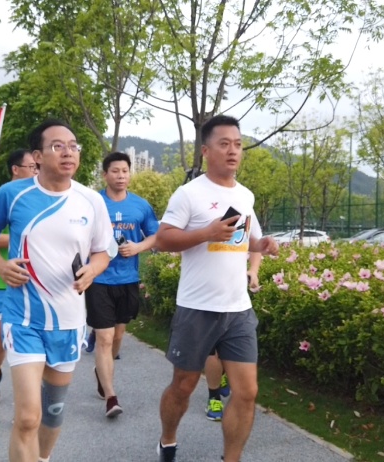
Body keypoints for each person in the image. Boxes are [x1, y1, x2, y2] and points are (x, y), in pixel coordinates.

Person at [0, 119, 112, 462]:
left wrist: (93, 270)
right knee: (27, 418)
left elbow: (103, 251)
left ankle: (43, 458)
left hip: (68, 321)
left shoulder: (91, 200)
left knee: (53, 413)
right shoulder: (12, 194)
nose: (68, 152)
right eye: (57, 146)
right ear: (37, 156)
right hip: (23, 319)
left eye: (73, 146)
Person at [154, 114, 279, 462]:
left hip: (238, 309)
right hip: (197, 308)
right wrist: (206, 233)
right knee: (183, 386)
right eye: (224, 144)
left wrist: (263, 244)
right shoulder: (189, 194)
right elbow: (163, 239)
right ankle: (167, 439)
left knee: (247, 392)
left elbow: (248, 240)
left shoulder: (245, 195)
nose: (233, 151)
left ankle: (231, 458)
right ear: (206, 151)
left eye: (238, 144)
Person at [87, 152, 159, 418]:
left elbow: (155, 235)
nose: (120, 176)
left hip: (127, 279)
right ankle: (111, 397)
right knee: (104, 338)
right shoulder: (92, 203)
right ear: (105, 174)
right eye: (115, 171)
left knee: (117, 337)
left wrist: (138, 246)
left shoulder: (141, 205)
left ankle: (101, 371)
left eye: (124, 171)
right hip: (99, 278)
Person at [0, 148, 38, 405]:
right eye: (31, 167)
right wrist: (26, 238)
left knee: (30, 345)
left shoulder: (41, 197)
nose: (36, 171)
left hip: (35, 284)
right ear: (16, 169)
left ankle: (27, 404)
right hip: (1, 282)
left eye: (37, 167)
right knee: (0, 343)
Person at [203, 252, 262, 421]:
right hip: (204, 301)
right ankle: (214, 398)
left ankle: (222, 375)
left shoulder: (245, 232)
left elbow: (256, 244)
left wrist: (253, 270)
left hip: (237, 303)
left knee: (229, 351)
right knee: (211, 351)